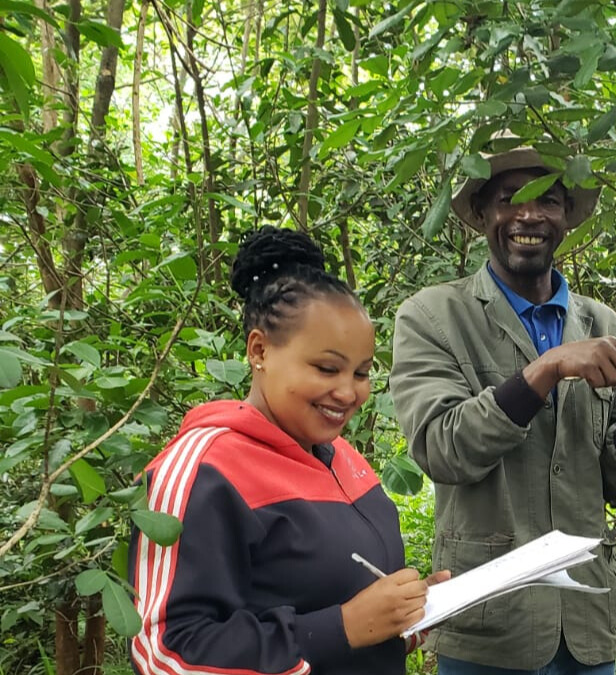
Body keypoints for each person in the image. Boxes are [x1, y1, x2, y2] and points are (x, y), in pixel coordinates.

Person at [389, 141, 616, 674]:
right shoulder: (433, 317)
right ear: (484, 213)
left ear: (566, 220)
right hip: (490, 623)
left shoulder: (606, 328)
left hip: (587, 618)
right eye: (510, 198)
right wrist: (544, 369)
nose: (528, 215)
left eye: (547, 201)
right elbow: (443, 450)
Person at [128, 227, 448, 675]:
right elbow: (165, 652)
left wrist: (411, 614)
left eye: (360, 373)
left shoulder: (344, 459)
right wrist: (344, 628)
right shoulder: (203, 469)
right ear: (259, 350)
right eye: (326, 367)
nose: (348, 391)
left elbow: (350, 610)